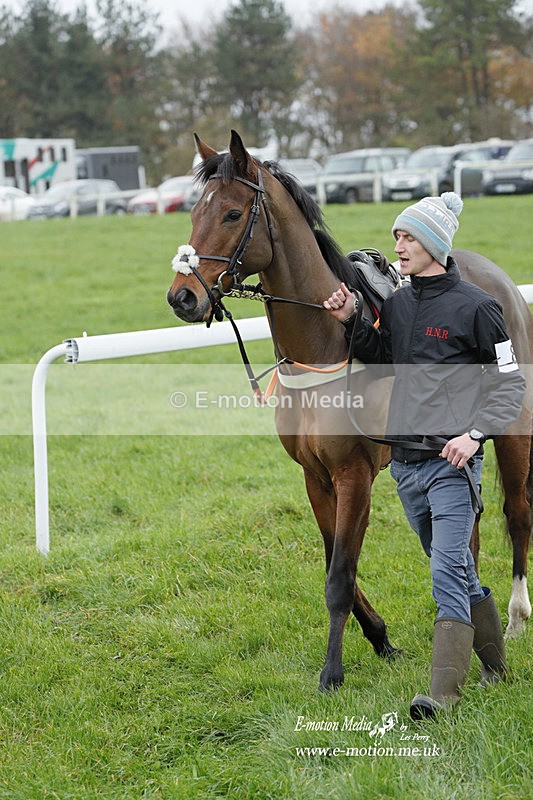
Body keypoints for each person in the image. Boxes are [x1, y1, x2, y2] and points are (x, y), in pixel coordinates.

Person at [323, 192, 526, 720]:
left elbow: (510, 387)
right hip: (407, 469)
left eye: (408, 237)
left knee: (445, 572)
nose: (399, 245)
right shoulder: (399, 304)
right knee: (456, 568)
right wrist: (351, 319)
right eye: (396, 235)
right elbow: (383, 357)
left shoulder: (480, 308)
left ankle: (443, 696)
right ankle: (496, 668)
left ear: (435, 245)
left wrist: (475, 435)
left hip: (454, 466)